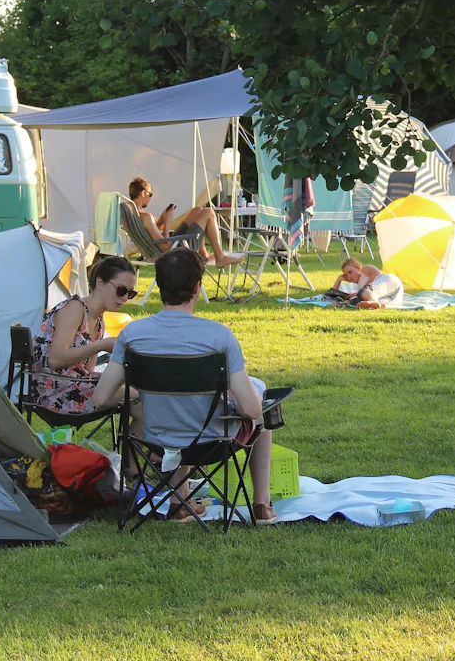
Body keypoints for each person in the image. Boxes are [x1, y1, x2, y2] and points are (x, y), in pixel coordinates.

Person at [94, 247, 278, 525]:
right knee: (260, 415)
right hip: (212, 442)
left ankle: (179, 502)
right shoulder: (219, 336)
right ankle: (262, 504)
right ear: (197, 287)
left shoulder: (132, 335)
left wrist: (141, 400)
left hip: (156, 438)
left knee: (179, 409)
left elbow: (100, 399)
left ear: (158, 286)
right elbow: (251, 410)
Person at [32, 256, 138, 416]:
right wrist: (101, 345)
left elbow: (87, 371)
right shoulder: (75, 308)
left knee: (140, 396)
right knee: (137, 399)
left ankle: (136, 439)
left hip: (74, 385)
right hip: (51, 392)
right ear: (100, 283)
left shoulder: (99, 322)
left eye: (131, 294)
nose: (124, 298)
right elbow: (55, 360)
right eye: (121, 290)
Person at [129, 177, 242, 267]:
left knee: (198, 210)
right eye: (150, 194)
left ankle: (202, 253)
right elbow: (165, 246)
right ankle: (220, 258)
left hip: (170, 243)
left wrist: (161, 221)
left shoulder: (134, 215)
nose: (150, 198)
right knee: (209, 213)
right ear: (143, 193)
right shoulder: (147, 217)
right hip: (173, 251)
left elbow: (150, 232)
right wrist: (167, 223)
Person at [335, 256, 405, 310]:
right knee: (360, 302)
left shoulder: (365, 270)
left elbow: (376, 272)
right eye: (346, 275)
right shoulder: (359, 286)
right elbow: (332, 295)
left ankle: (372, 301)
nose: (349, 276)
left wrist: (360, 291)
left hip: (389, 281)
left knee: (364, 291)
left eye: (350, 272)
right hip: (392, 294)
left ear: (358, 267)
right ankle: (376, 305)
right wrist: (339, 280)